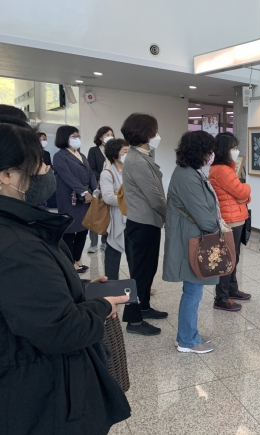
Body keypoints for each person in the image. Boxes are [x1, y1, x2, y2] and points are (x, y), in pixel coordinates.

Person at [0, 114, 131, 434]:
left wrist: (79, 289)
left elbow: (32, 297)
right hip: (44, 394)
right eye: (37, 165)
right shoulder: (17, 246)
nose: (45, 172)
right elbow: (61, 329)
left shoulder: (21, 228)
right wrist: (101, 306)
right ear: (6, 175)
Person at [163, 130, 226, 353]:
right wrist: (218, 230)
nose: (211, 155)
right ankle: (187, 341)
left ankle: (187, 334)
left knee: (193, 290)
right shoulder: (188, 177)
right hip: (192, 240)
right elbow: (202, 214)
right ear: (199, 151)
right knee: (193, 292)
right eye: (209, 151)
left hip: (191, 237)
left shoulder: (189, 172)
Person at [121, 113, 167, 336]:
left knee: (148, 269)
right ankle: (134, 321)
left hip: (148, 222)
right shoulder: (137, 160)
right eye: (155, 131)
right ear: (146, 133)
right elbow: (155, 198)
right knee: (140, 273)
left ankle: (145, 307)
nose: (157, 135)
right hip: (142, 224)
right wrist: (171, 216)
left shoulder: (141, 155)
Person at [209, 132, 252, 311]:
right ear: (224, 149)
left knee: (234, 258)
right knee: (227, 259)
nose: (236, 151)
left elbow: (241, 196)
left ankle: (232, 289)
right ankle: (221, 297)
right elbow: (242, 192)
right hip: (230, 220)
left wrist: (243, 194)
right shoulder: (222, 170)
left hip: (236, 218)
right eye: (233, 148)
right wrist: (246, 187)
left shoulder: (225, 168)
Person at [53, 125, 97, 273]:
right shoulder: (60, 156)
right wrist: (83, 192)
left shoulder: (81, 155)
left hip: (85, 198)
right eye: (73, 136)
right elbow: (68, 177)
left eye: (77, 136)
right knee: (70, 230)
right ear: (64, 137)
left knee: (83, 229)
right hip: (69, 199)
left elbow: (90, 174)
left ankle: (77, 260)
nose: (77, 139)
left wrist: (96, 190)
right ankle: (70, 263)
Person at [101, 138, 130, 280]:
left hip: (133, 218)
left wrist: (119, 194)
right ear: (114, 155)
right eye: (125, 151)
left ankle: (138, 285)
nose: (128, 154)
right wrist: (129, 198)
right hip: (116, 219)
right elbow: (108, 198)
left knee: (134, 255)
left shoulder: (131, 171)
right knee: (113, 252)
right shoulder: (107, 173)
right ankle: (111, 285)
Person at [87, 126, 114, 253]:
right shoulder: (93, 150)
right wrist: (101, 180)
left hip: (111, 186)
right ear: (100, 137)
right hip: (97, 186)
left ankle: (105, 242)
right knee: (95, 214)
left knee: (107, 215)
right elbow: (91, 169)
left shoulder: (114, 151)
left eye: (111, 134)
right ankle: (93, 244)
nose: (110, 137)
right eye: (107, 134)